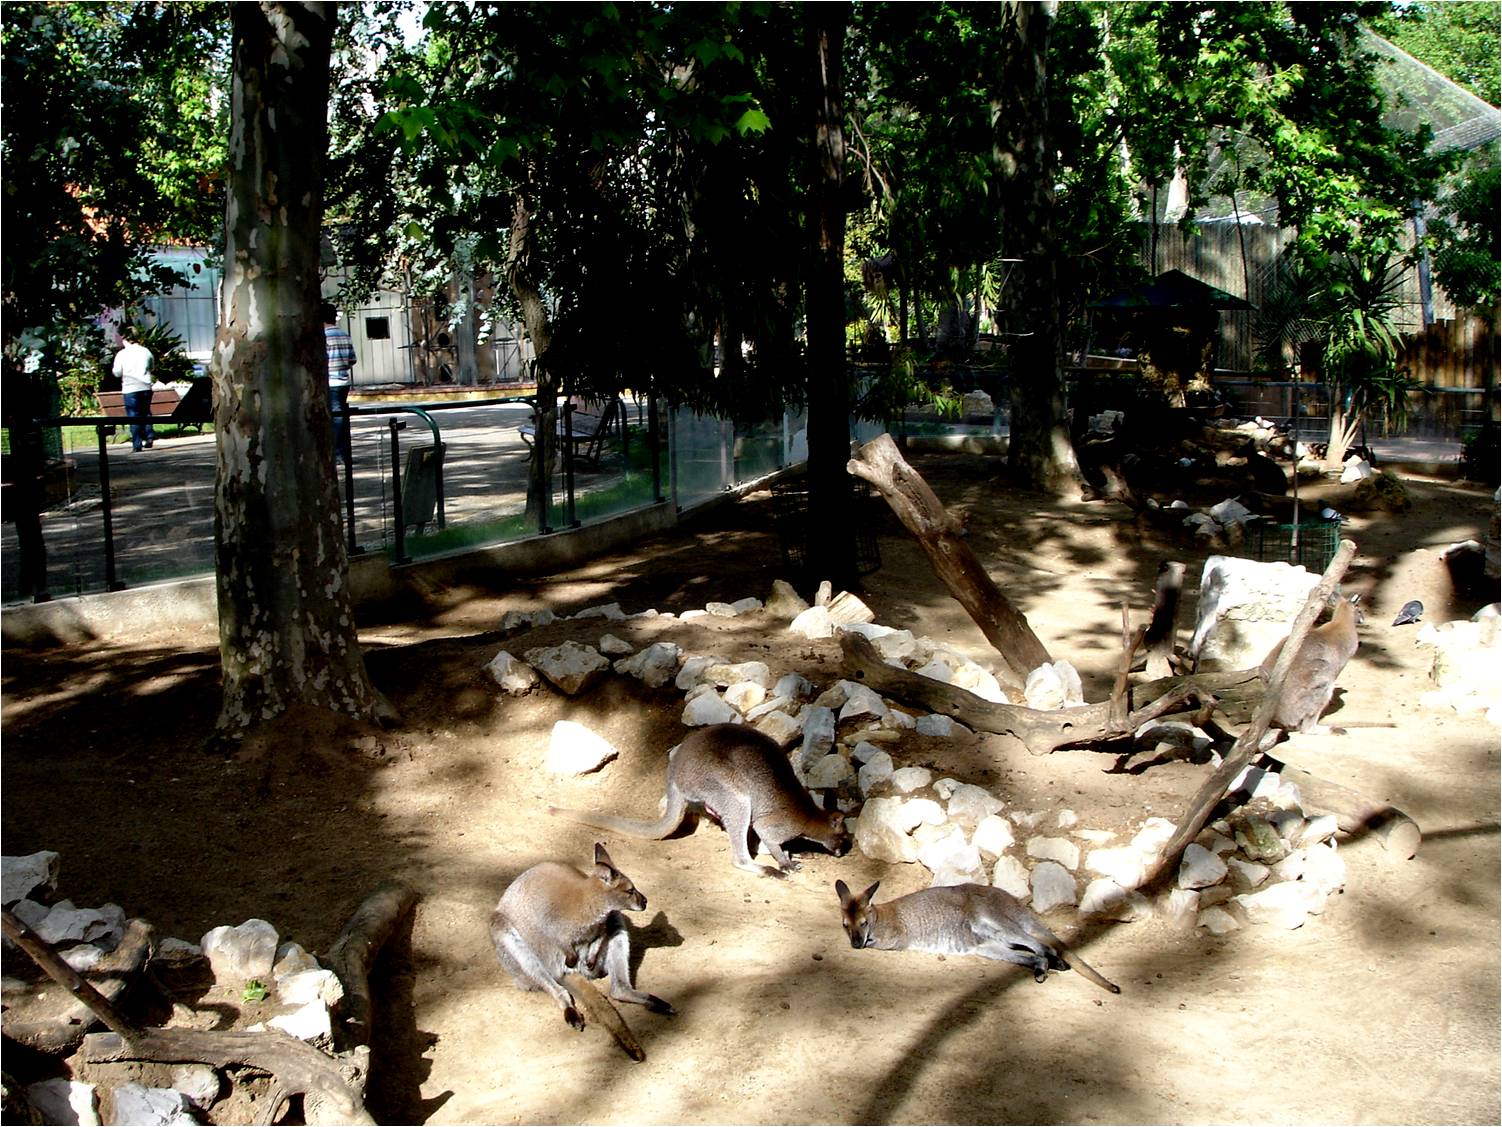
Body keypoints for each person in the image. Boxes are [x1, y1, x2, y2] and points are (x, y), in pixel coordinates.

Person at [112, 324, 155, 452]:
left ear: (125, 338)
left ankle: (137, 444)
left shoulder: (122, 354)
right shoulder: (145, 351)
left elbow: (117, 372)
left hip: (130, 388)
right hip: (145, 386)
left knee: (133, 415)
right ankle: (149, 435)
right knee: (146, 412)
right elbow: (151, 366)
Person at [323, 302, 355, 462]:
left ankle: (338, 452)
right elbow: (352, 359)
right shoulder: (344, 335)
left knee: (336, 417)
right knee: (341, 415)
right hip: (344, 381)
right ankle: (344, 450)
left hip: (331, 381)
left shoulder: (324, 337)